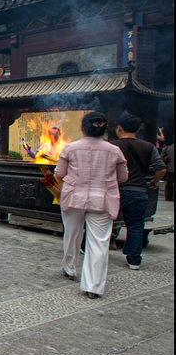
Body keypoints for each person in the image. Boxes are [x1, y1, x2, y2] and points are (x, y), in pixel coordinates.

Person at [54, 112, 127, 299]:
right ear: (104, 129)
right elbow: (123, 177)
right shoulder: (114, 151)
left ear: (82, 127)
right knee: (98, 243)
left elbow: (59, 173)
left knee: (72, 235)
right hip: (102, 199)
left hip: (74, 197)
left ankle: (69, 268)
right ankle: (92, 286)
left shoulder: (70, 148)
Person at [110, 114, 166, 270]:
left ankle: (93, 250)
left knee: (104, 221)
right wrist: (154, 182)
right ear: (138, 129)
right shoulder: (148, 146)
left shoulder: (112, 146)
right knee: (135, 226)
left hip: (116, 190)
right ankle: (134, 260)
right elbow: (161, 169)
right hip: (138, 191)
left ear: (119, 128)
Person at [162, 135, 174, 202]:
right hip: (170, 168)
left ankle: (168, 197)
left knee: (169, 184)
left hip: (170, 168)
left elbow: (162, 158)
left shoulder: (167, 148)